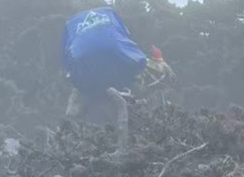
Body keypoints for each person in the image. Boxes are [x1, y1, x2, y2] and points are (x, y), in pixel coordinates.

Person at [61, 8, 169, 149]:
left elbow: (72, 111)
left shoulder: (83, 58)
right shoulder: (126, 45)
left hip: (90, 84)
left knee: (77, 113)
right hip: (120, 82)